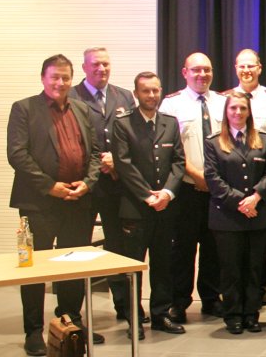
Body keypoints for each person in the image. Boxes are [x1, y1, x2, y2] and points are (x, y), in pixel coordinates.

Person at [8, 54, 104, 355]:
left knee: (73, 265)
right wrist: (50, 187)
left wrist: (88, 182)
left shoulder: (82, 108)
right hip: (39, 202)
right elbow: (17, 154)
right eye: (54, 77)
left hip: (77, 200)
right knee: (34, 268)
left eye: (65, 77)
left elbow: (95, 152)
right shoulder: (24, 108)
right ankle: (34, 330)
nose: (60, 83)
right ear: (43, 78)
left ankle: (69, 322)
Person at [111, 72, 188, 338]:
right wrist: (147, 195)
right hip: (135, 208)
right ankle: (134, 319)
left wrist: (166, 193)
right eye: (146, 91)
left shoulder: (170, 122)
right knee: (133, 267)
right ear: (136, 94)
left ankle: (160, 315)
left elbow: (178, 162)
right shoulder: (123, 124)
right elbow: (123, 164)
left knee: (163, 264)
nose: (151, 96)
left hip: (165, 207)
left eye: (155, 90)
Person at [68, 47, 140, 325]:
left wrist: (118, 162)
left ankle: (125, 308)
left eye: (106, 64)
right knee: (77, 249)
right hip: (84, 186)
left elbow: (133, 135)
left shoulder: (124, 96)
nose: (102, 69)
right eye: (95, 64)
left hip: (116, 185)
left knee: (118, 248)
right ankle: (72, 315)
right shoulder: (71, 96)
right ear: (84, 68)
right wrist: (100, 162)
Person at [158, 52, 226, 322]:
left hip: (218, 189)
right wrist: (197, 176)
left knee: (214, 247)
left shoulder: (223, 102)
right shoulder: (171, 104)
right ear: (185, 72)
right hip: (186, 188)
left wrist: (215, 180)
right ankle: (179, 302)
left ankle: (211, 298)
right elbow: (168, 148)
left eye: (207, 70)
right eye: (196, 70)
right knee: (183, 249)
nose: (202, 75)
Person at [203, 91, 266, 334]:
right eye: (233, 108)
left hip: (258, 214)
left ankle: (251, 314)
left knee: (254, 268)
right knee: (231, 269)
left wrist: (255, 198)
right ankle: (233, 314)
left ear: (249, 111)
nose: (238, 112)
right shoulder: (214, 142)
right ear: (226, 112)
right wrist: (240, 203)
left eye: (242, 108)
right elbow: (213, 178)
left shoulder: (263, 140)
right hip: (227, 217)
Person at [224, 49, 266, 133]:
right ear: (236, 69)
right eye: (242, 67)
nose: (246, 70)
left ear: (259, 68)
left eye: (250, 66)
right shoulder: (224, 99)